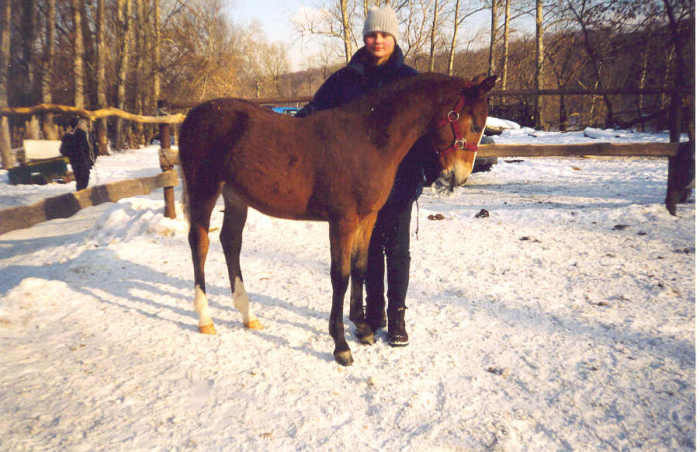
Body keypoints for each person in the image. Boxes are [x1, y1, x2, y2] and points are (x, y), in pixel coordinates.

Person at [296, 5, 441, 346]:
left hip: (401, 180)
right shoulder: (347, 78)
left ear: (394, 38)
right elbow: (315, 112)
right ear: (365, 38)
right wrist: (286, 131)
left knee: (399, 250)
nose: (378, 40)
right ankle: (373, 313)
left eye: (384, 35)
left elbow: (430, 130)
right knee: (370, 250)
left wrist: (427, 171)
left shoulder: (409, 80)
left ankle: (398, 318)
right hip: (358, 185)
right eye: (372, 34)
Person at [60, 116, 95, 190]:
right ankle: (80, 195)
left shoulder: (81, 134)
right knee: (82, 179)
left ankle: (81, 193)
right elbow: (63, 150)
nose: (84, 125)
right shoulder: (73, 135)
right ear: (77, 125)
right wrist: (73, 154)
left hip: (80, 161)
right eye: (81, 123)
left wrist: (89, 160)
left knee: (83, 179)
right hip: (78, 161)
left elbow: (86, 149)